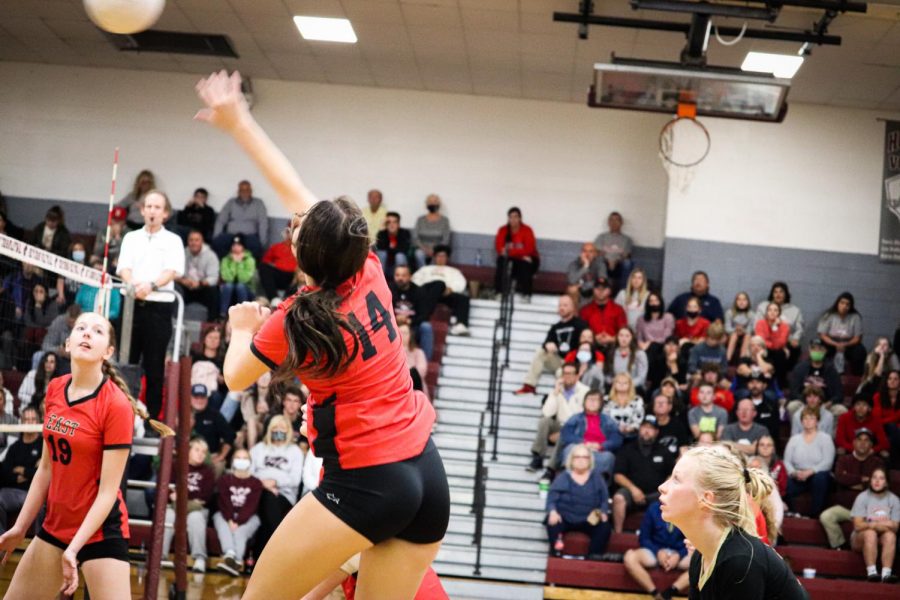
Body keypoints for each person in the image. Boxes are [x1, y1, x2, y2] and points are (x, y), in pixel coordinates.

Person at [198, 70, 448, 598]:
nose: (294, 217)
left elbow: (236, 375)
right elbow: (292, 188)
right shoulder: (370, 268)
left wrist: (241, 326)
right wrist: (238, 119)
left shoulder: (295, 319)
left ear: (301, 253)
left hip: (368, 482)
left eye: (297, 225)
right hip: (427, 475)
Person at [0, 311, 172, 599]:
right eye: (81, 328)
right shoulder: (55, 389)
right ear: (67, 344)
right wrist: (20, 527)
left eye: (97, 330)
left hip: (100, 531)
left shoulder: (115, 405)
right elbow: (46, 468)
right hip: (56, 526)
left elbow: (108, 492)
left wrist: (75, 548)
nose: (87, 333)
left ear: (109, 352)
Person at [657, 445, 808, 600]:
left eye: (676, 479)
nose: (662, 487)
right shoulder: (700, 557)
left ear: (707, 499)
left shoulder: (739, 560)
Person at [116, 190, 185, 420]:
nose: (152, 211)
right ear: (142, 210)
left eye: (157, 207)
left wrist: (151, 286)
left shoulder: (173, 240)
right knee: (125, 365)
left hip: (158, 308)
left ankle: (152, 420)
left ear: (165, 214)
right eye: (149, 206)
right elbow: (123, 267)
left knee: (155, 369)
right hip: (131, 306)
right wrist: (134, 284)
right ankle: (123, 415)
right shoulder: (130, 237)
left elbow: (172, 270)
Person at [250, 416, 304, 565]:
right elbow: (248, 474)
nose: (278, 430)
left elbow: (295, 479)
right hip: (259, 491)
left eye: (282, 428)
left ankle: (258, 558)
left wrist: (275, 482)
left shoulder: (295, 452)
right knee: (267, 500)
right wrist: (263, 484)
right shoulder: (258, 449)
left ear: (288, 431)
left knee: (269, 504)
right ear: (269, 430)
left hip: (283, 495)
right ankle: (277, 555)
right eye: (275, 427)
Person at [819, 428, 884, 550]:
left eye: (866, 440)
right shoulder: (844, 459)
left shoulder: (877, 463)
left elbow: (877, 485)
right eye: (859, 440)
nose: (862, 443)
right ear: (854, 442)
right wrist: (862, 479)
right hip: (845, 507)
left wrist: (850, 481)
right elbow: (839, 478)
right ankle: (839, 545)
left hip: (868, 509)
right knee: (826, 516)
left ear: (871, 445)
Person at [545, 443, 611, 559]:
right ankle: (556, 553)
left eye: (585, 457)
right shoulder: (563, 477)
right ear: (571, 459)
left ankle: (593, 556)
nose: (581, 460)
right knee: (553, 522)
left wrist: (603, 511)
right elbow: (551, 498)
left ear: (590, 460)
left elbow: (604, 499)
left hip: (589, 518)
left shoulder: (597, 478)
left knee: (604, 526)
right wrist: (552, 511)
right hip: (565, 516)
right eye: (577, 457)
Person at [160, 437, 216, 573]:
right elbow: (166, 488)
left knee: (196, 518)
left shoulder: (208, 471)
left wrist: (180, 497)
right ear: (188, 451)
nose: (200, 454)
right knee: (167, 516)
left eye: (204, 452)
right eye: (197, 450)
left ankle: (199, 559)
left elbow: (205, 497)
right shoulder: (175, 465)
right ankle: (161, 556)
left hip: (195, 509)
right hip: (174, 507)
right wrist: (186, 499)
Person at [612, 416, 676, 533]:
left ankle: (663, 537)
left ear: (656, 432)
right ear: (639, 429)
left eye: (651, 428)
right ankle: (618, 533)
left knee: (671, 498)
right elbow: (617, 475)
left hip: (656, 493)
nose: (647, 431)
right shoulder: (627, 449)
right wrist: (633, 489)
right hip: (632, 492)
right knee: (618, 498)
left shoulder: (664, 451)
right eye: (644, 427)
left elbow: (672, 474)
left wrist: (664, 489)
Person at [515, 295, 587, 395]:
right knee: (541, 352)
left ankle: (564, 396)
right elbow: (545, 343)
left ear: (572, 307)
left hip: (574, 362)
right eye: (560, 305)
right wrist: (548, 345)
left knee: (560, 373)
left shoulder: (580, 325)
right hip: (560, 361)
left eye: (565, 305)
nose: (562, 308)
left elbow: (588, 343)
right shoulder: (555, 327)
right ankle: (529, 385)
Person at [623, 501, 691, 600]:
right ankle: (655, 593)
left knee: (705, 561)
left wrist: (679, 555)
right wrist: (658, 552)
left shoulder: (687, 509)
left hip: (680, 552)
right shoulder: (653, 508)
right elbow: (644, 538)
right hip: (655, 551)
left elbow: (693, 540)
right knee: (629, 557)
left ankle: (671, 591)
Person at [527, 363, 589, 472]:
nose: (567, 376)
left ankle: (551, 469)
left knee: (564, 432)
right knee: (544, 421)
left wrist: (565, 430)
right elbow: (547, 413)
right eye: (565, 373)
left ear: (577, 376)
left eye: (571, 373)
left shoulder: (585, 391)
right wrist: (555, 392)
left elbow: (585, 417)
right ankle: (538, 457)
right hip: (559, 425)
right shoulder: (557, 390)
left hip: (575, 429)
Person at [848, 467, 899, 583]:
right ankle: (872, 573)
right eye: (874, 478)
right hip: (859, 537)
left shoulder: (894, 500)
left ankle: (886, 575)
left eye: (881, 478)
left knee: (890, 535)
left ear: (886, 482)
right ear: (870, 480)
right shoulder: (862, 497)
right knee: (870, 534)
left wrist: (871, 523)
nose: (877, 481)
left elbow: (895, 526)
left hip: (882, 536)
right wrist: (878, 524)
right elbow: (858, 526)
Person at [559, 390, 622, 480]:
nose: (592, 402)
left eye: (595, 400)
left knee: (609, 457)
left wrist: (602, 446)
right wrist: (583, 443)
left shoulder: (608, 420)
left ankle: (598, 485)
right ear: (584, 402)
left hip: (599, 451)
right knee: (569, 449)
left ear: (601, 404)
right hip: (579, 448)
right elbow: (566, 434)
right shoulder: (576, 418)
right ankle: (567, 480)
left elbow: (617, 438)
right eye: (589, 399)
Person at [784, 408, 835, 517]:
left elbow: (828, 462)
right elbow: (787, 461)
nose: (808, 421)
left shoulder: (825, 438)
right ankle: (793, 513)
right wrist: (794, 473)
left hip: (818, 474)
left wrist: (811, 471)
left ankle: (815, 516)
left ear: (817, 421)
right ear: (801, 421)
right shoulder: (794, 439)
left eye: (811, 418)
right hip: (798, 475)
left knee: (820, 479)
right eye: (805, 418)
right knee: (784, 483)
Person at [410, 245, 470, 336]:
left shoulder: (454, 271)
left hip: (445, 294)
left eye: (443, 256)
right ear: (434, 257)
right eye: (438, 256)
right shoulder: (425, 269)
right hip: (426, 292)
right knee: (439, 283)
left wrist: (451, 289)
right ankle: (424, 316)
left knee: (463, 298)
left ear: (447, 258)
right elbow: (415, 280)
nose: (441, 258)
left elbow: (461, 282)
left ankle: (461, 325)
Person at [0, 406, 42, 534]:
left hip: (35, 493)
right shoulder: (15, 447)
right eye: (26, 419)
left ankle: (38, 548)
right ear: (22, 422)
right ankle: (1, 544)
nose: (29, 422)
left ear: (38, 422)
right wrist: (29, 472)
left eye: (33, 419)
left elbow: (42, 473)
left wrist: (21, 470)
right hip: (13, 492)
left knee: (44, 505)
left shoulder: (43, 444)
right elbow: (4, 474)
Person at [389, 264, 438, 360]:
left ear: (410, 276)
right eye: (397, 275)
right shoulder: (388, 289)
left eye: (403, 275)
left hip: (413, 327)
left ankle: (425, 362)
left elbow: (425, 314)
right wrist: (395, 318)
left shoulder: (419, 291)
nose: (400, 278)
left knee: (426, 327)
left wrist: (410, 321)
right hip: (392, 325)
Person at [213, 180, 269, 259]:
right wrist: (216, 237)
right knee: (217, 243)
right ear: (238, 191)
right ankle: (228, 265)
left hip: (249, 236)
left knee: (256, 247)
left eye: (247, 190)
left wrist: (262, 242)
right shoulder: (231, 202)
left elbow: (263, 223)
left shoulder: (258, 203)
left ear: (251, 191)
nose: (244, 192)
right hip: (231, 235)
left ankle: (246, 268)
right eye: (242, 190)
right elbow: (220, 221)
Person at [494, 206, 539, 299]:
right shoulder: (503, 230)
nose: (513, 219)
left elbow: (529, 249)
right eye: (511, 217)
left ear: (520, 218)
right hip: (518, 258)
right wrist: (519, 254)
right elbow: (499, 249)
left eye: (516, 217)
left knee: (526, 264)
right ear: (508, 218)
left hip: (528, 259)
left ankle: (526, 295)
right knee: (501, 261)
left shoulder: (527, 230)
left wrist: (510, 252)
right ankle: (499, 293)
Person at [190, 383, 235, 475]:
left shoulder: (215, 415)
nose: (199, 400)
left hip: (210, 454)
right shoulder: (182, 414)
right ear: (190, 398)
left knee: (219, 465)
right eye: (196, 397)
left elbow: (230, 436)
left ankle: (209, 489)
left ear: (207, 399)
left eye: (202, 397)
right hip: (187, 454)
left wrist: (221, 456)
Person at [755, 282, 804, 366]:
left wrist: (795, 339)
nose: (778, 294)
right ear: (772, 294)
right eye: (775, 292)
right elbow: (757, 325)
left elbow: (800, 328)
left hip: (787, 340)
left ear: (786, 294)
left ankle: (784, 374)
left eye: (781, 292)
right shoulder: (763, 306)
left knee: (795, 348)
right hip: (766, 339)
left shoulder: (795, 310)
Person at [817, 291, 866, 375]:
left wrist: (845, 345)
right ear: (837, 303)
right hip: (831, 343)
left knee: (860, 352)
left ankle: (856, 377)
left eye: (847, 304)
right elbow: (822, 335)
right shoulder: (829, 315)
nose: (844, 306)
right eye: (842, 303)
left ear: (850, 306)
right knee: (818, 349)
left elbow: (857, 338)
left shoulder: (855, 317)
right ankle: (819, 373)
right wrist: (836, 344)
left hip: (849, 344)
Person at [176, 229, 220, 321]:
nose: (193, 243)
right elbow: (175, 273)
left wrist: (200, 283)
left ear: (202, 241)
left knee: (214, 291)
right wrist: (183, 281)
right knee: (175, 287)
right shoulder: (182, 253)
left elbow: (214, 278)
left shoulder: (211, 256)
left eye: (196, 240)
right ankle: (175, 319)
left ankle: (212, 322)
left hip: (202, 288)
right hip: (186, 287)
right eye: (191, 240)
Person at [788, 338, 843, 410]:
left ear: (825, 351)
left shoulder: (831, 370)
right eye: (813, 348)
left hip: (825, 404)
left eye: (820, 349)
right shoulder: (800, 368)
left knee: (840, 409)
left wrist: (829, 403)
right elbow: (793, 392)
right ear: (809, 350)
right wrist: (807, 401)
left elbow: (839, 394)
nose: (816, 351)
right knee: (792, 406)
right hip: (804, 403)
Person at [579, 277, 627, 354]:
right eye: (597, 288)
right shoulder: (585, 310)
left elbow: (624, 332)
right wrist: (594, 338)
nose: (600, 291)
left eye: (604, 288)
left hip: (614, 348)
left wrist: (612, 339)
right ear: (593, 290)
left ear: (609, 291)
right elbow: (582, 333)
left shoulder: (618, 309)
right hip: (592, 348)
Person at [593, 211, 633, 291]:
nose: (614, 222)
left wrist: (616, 261)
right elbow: (598, 252)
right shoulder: (602, 237)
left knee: (628, 263)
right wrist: (608, 260)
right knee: (599, 261)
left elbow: (626, 255)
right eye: (611, 220)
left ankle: (623, 293)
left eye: (617, 220)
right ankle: (601, 289)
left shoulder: (627, 239)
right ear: (608, 222)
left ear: (621, 223)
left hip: (619, 265)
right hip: (604, 264)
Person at [219, 233, 257, 317]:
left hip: (248, 289)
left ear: (243, 247)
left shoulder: (250, 260)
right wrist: (234, 264)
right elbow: (226, 277)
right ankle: (223, 314)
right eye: (234, 245)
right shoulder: (226, 259)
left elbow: (244, 279)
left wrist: (239, 263)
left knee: (240, 286)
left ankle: (243, 314)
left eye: (239, 245)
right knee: (228, 286)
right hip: (230, 288)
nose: (236, 247)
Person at [754, 302, 791, 385]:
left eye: (775, 310)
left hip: (777, 352)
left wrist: (774, 327)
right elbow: (761, 341)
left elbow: (780, 343)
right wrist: (772, 344)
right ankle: (764, 382)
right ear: (766, 312)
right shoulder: (760, 323)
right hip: (763, 350)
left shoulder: (784, 326)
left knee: (780, 353)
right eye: (770, 310)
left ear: (779, 313)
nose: (772, 312)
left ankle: (778, 384)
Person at [259, 226, 299, 301]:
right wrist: (274, 265)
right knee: (263, 267)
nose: (290, 235)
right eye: (288, 232)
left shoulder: (300, 248)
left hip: (293, 276)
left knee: (301, 274)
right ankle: (274, 298)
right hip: (279, 274)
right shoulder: (276, 247)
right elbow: (265, 261)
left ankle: (290, 300)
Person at [603, 372, 645, 441]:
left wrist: (630, 428)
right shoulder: (606, 400)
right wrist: (616, 428)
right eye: (619, 382)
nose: (621, 385)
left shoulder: (637, 400)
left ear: (630, 385)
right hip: (611, 435)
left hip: (631, 436)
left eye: (625, 383)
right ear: (614, 384)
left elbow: (638, 420)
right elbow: (604, 419)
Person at [412, 194, 451, 268]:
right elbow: (415, 237)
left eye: (435, 201)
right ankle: (423, 272)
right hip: (422, 248)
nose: (432, 204)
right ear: (426, 204)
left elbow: (446, 239)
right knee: (418, 254)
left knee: (438, 255)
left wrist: (435, 250)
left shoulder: (444, 221)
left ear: (439, 204)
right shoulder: (420, 220)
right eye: (430, 201)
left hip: (438, 249)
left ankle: (432, 274)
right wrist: (424, 249)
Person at [606, 327, 648, 391]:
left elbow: (642, 378)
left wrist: (626, 385)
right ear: (617, 337)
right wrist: (613, 382)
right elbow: (607, 375)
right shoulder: (612, 353)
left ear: (632, 338)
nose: (624, 338)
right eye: (621, 335)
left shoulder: (640, 354)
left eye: (627, 336)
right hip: (616, 389)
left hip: (635, 389)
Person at [375, 212, 413, 278]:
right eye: (389, 222)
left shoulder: (405, 233)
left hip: (400, 266)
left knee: (399, 256)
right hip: (385, 266)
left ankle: (400, 279)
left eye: (394, 222)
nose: (391, 225)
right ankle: (380, 279)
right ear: (386, 224)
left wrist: (390, 249)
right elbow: (380, 248)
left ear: (398, 224)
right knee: (382, 254)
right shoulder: (382, 233)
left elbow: (404, 249)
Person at [873, 369, 900, 465]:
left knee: (895, 431)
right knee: (892, 427)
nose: (892, 381)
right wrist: (893, 420)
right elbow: (877, 419)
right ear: (886, 381)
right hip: (882, 430)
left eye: (896, 379)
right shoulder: (878, 397)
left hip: (896, 432)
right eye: (890, 379)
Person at [90, 206, 127, 271]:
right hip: (104, 260)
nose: (116, 223)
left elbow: (127, 252)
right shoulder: (103, 232)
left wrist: (117, 237)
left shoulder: (129, 233)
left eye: (119, 221)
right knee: (93, 259)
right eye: (114, 220)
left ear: (124, 221)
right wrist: (108, 239)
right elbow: (97, 252)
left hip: (120, 261)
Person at [725, 292, 755, 364]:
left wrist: (743, 330)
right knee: (734, 335)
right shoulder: (729, 312)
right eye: (739, 300)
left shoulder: (751, 314)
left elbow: (751, 329)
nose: (741, 302)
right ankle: (727, 360)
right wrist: (736, 329)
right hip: (732, 335)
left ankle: (742, 361)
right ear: (736, 302)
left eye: (744, 300)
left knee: (748, 336)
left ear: (748, 302)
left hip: (746, 335)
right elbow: (727, 328)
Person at [399, 322, 427, 392]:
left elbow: (421, 372)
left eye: (405, 333)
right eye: (400, 332)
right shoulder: (391, 352)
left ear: (410, 335)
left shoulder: (418, 352)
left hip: (415, 386)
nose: (403, 335)